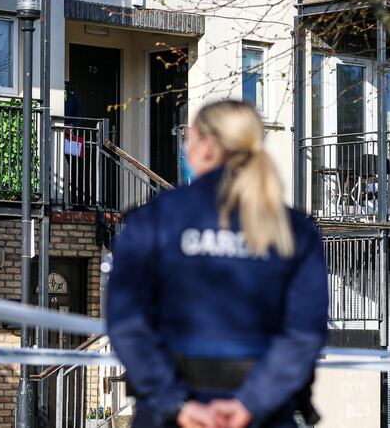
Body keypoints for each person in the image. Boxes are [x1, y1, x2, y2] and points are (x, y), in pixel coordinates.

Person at [106, 100, 328, 428]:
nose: (186, 147)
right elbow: (303, 334)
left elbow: (127, 323)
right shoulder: (294, 230)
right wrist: (251, 403)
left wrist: (175, 403)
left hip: (167, 417)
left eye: (188, 138)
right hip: (264, 416)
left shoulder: (153, 221)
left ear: (206, 146)